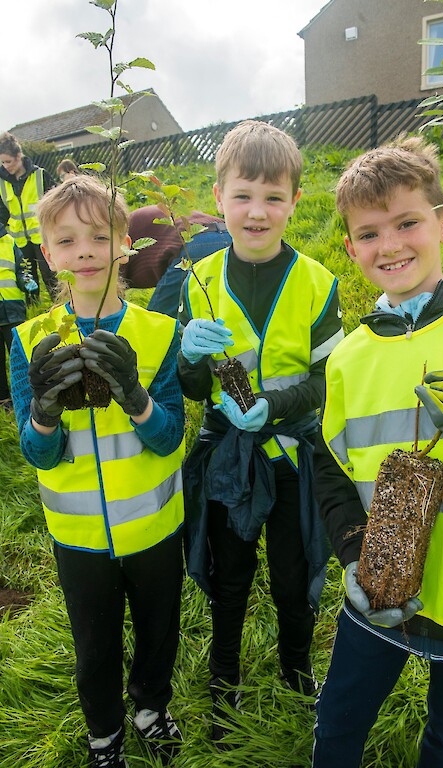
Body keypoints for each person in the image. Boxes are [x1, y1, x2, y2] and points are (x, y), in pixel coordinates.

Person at [312, 136, 443, 768]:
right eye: (368, 234)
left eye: (407, 223)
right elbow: (330, 468)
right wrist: (352, 552)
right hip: (381, 592)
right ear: (349, 249)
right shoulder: (349, 356)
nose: (390, 245)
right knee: (337, 722)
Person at [177, 119, 344, 747]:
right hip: (228, 453)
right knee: (230, 574)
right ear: (218, 197)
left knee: (294, 571)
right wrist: (187, 355)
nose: (257, 211)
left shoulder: (317, 282)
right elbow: (193, 389)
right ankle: (225, 684)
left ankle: (297, 672)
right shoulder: (198, 281)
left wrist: (273, 402)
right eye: (243, 195)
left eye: (274, 197)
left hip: (294, 453)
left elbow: (329, 379)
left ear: (295, 203)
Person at [9, 176, 186, 768]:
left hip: (156, 529)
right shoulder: (30, 341)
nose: (84, 251)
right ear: (48, 252)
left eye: (98, 236)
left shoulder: (158, 333)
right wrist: (43, 412)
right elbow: (38, 455)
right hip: (79, 536)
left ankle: (150, 707)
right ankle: (105, 732)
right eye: (66, 240)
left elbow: (168, 438)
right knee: (94, 643)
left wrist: (135, 396)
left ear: (123, 245)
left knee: (159, 631)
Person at [122, 204, 231, 316]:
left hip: (195, 243)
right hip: (230, 236)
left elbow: (112, 296)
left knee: (158, 324)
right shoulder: (128, 226)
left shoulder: (116, 245)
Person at [0, 131, 58, 301]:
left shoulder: (40, 175)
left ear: (19, 156)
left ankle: (60, 306)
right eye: (2, 162)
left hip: (42, 237)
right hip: (18, 240)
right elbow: (2, 212)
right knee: (27, 279)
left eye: (8, 161)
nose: (5, 166)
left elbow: (56, 203)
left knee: (50, 275)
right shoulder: (1, 182)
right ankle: (34, 309)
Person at [0, 223, 36, 410]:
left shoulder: (9, 241)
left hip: (13, 309)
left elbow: (22, 269)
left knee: (21, 357)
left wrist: (26, 280)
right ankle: (4, 402)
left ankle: (29, 397)